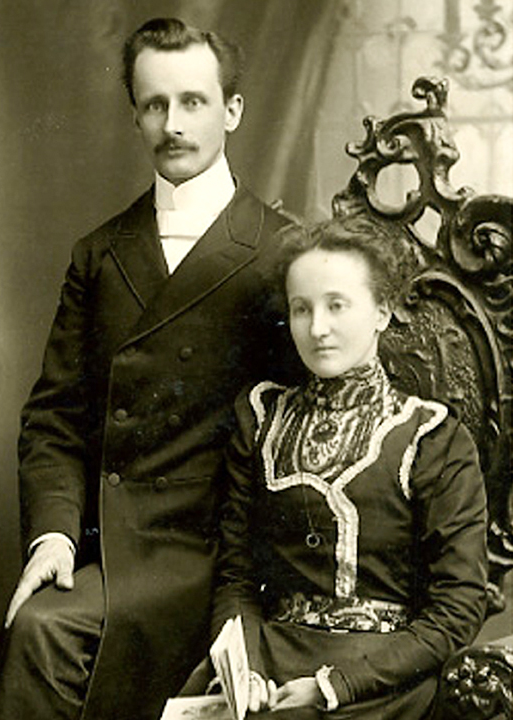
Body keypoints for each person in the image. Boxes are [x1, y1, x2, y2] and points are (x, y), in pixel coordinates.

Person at [0, 17, 299, 720]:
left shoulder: (281, 251)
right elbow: (55, 416)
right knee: (38, 625)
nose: (173, 123)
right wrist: (54, 534)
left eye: (193, 101)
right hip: (116, 537)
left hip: (225, 546)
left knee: (49, 637)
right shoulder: (99, 254)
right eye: (154, 104)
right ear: (134, 114)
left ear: (233, 111)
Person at [203, 215, 488, 719]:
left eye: (337, 306)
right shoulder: (262, 421)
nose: (317, 328)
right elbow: (236, 577)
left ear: (382, 310)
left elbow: (456, 609)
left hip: (381, 679)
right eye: (301, 309)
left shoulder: (433, 437)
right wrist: (242, 669)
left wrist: (337, 685)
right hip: (267, 666)